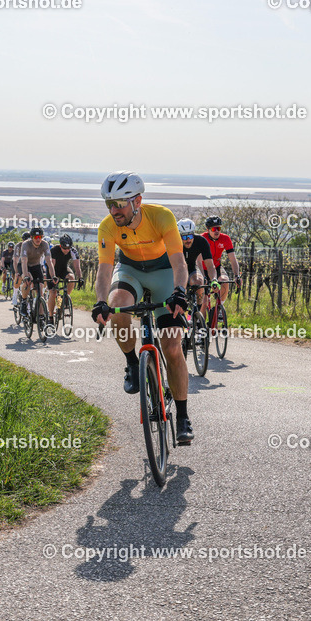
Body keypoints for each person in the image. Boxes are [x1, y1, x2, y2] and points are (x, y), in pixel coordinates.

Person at [91, 171, 194, 444]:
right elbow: (104, 271)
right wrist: (101, 302)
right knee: (118, 306)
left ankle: (183, 416)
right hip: (131, 271)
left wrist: (179, 293)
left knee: (172, 348)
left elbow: (179, 263)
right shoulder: (107, 227)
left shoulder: (161, 216)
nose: (114, 210)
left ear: (137, 201)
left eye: (119, 204)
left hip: (163, 272)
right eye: (108, 204)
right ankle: (132, 362)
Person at [178, 219, 217, 305]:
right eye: (184, 237)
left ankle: (197, 311)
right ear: (179, 236)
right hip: (176, 269)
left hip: (191, 266)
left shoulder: (201, 241)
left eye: (190, 236)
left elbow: (210, 265)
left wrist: (214, 279)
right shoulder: (174, 242)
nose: (188, 240)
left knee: (199, 282)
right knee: (178, 291)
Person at [203, 215, 240, 305]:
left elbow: (233, 259)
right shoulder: (203, 239)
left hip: (216, 266)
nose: (216, 231)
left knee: (224, 280)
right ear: (207, 230)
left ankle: (219, 307)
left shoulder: (225, 239)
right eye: (213, 229)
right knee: (204, 299)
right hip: (203, 268)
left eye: (218, 228)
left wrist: (237, 276)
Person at [20, 227, 55, 316]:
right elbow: (24, 261)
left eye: (40, 237)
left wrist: (53, 276)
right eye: (36, 237)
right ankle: (23, 301)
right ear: (31, 237)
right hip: (25, 265)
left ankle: (40, 315)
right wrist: (25, 275)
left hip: (36, 266)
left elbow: (49, 261)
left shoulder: (45, 244)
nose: (38, 239)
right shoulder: (26, 244)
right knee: (28, 281)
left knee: (40, 289)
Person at [48, 234, 82, 320]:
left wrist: (80, 278)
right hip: (53, 270)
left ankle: (65, 299)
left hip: (63, 269)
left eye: (68, 248)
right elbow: (52, 265)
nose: (67, 250)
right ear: (60, 246)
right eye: (64, 248)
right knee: (53, 292)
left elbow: (77, 267)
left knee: (71, 277)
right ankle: (51, 316)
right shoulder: (54, 250)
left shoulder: (73, 251)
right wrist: (53, 277)